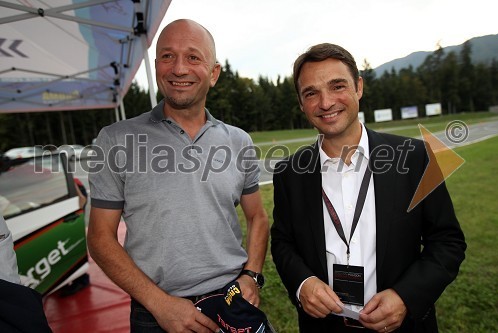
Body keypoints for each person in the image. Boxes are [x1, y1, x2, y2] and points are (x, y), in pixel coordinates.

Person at [87, 19, 269, 333]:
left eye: (193, 57)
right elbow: (100, 238)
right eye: (168, 56)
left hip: (231, 299)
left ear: (214, 73)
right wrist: (159, 304)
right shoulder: (115, 139)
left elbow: (258, 218)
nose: (179, 69)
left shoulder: (239, 141)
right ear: (157, 65)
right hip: (155, 312)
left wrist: (251, 276)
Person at [270, 43, 466, 333]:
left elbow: (447, 242)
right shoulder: (289, 172)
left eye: (337, 86)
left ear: (358, 87)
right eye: (311, 92)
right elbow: (283, 243)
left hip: (402, 325)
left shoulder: (414, 157)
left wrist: (405, 297)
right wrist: (302, 283)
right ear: (301, 103)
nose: (326, 102)